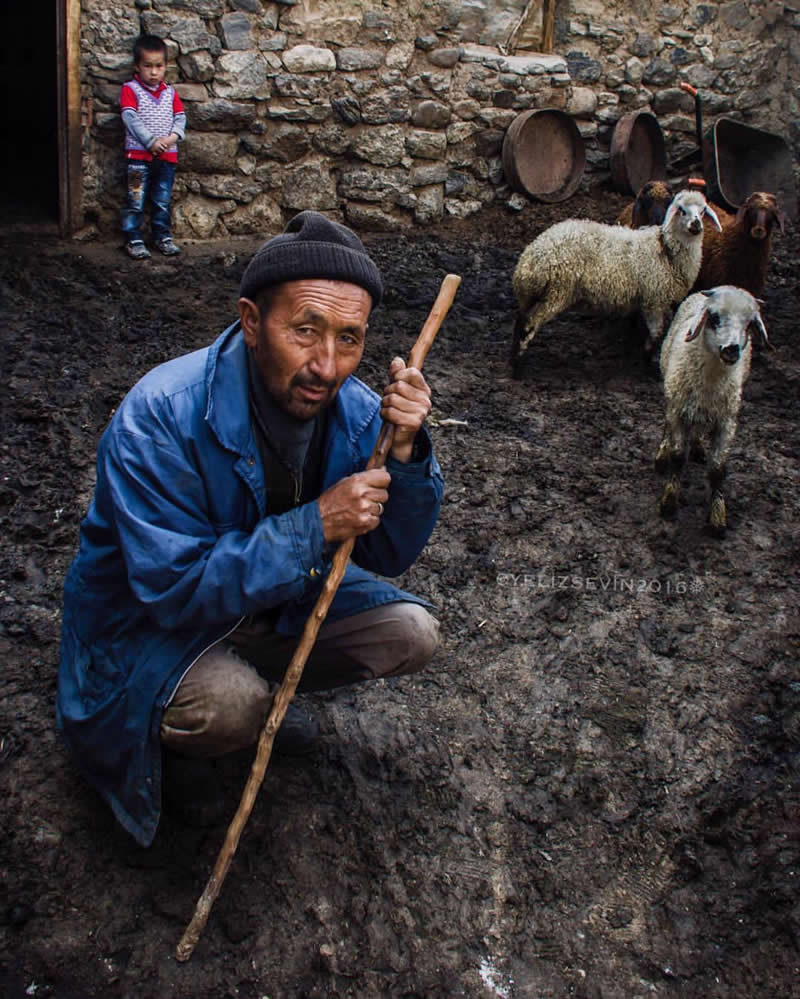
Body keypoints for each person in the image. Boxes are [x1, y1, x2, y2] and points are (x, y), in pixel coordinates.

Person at [56, 211, 445, 847]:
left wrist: (403, 455)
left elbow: (390, 551)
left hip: (272, 606)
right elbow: (174, 588)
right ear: (251, 321)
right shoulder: (161, 416)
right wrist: (316, 523)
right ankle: (190, 746)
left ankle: (267, 699)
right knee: (226, 705)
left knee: (410, 632)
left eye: (350, 338)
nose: (327, 365)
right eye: (305, 331)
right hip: (154, 627)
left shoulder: (352, 410)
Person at [120, 34, 186, 260]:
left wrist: (171, 139)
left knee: (162, 198)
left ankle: (162, 236)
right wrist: (150, 141)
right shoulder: (131, 89)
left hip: (166, 157)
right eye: (148, 66)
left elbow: (180, 118)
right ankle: (133, 237)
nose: (154, 72)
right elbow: (130, 117)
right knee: (135, 198)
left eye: (159, 66)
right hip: (138, 156)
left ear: (165, 66)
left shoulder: (170, 93)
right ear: (138, 66)